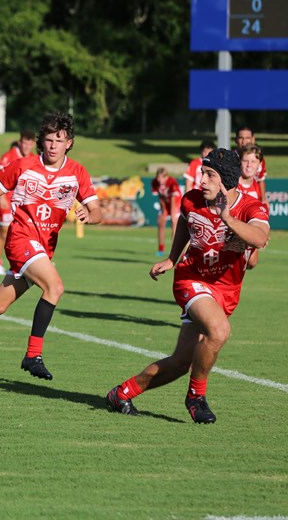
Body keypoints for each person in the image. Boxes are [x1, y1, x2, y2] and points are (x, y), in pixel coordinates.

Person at [106, 148, 269, 423]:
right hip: (191, 280)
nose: (201, 181)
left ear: (227, 180)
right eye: (202, 174)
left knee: (181, 363)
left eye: (209, 175)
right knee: (218, 331)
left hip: (226, 290)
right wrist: (172, 258)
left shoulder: (251, 206)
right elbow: (184, 222)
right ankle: (196, 396)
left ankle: (122, 393)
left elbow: (260, 237)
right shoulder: (192, 200)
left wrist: (229, 220)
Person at [0, 112, 101, 380]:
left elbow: (97, 211)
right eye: (48, 140)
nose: (53, 145)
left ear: (68, 142)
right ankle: (33, 354)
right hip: (21, 240)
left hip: (43, 249)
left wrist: (89, 216)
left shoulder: (77, 172)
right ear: (41, 142)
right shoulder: (23, 165)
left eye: (59, 140)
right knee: (55, 286)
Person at [0, 130, 36, 274]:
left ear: (33, 144)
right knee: (4, 231)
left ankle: (19, 264)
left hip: (25, 202)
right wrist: (2, 197)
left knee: (24, 233)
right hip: (8, 198)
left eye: (30, 143)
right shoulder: (8, 156)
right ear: (20, 142)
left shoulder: (35, 159)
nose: (27, 146)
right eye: (25, 142)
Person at [151, 167, 181, 256]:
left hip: (175, 201)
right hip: (165, 201)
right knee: (161, 221)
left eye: (161, 178)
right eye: (158, 177)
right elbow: (160, 196)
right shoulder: (155, 182)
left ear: (166, 177)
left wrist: (172, 213)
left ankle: (174, 249)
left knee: (174, 222)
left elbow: (173, 198)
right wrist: (163, 210)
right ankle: (161, 249)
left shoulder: (172, 182)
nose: (159, 180)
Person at [234, 126, 266, 201]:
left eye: (247, 138)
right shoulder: (230, 158)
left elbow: (261, 179)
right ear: (236, 140)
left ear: (253, 139)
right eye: (241, 138)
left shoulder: (258, 157)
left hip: (253, 194)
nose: (244, 142)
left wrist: (263, 199)